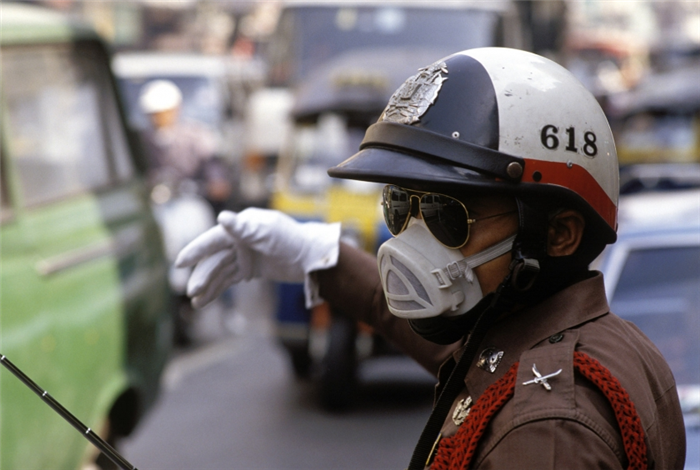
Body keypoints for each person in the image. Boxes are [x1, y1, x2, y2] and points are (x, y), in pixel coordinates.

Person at [175, 48, 685, 469]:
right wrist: (320, 256)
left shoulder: (546, 430)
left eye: (447, 215)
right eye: (400, 205)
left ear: (559, 235)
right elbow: (460, 352)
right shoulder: (577, 341)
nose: (414, 243)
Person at [138, 79, 232, 214]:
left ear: (176, 109)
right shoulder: (143, 140)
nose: (159, 117)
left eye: (164, 112)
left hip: (191, 203)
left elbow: (213, 167)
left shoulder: (196, 136)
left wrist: (215, 182)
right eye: (154, 113)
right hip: (155, 206)